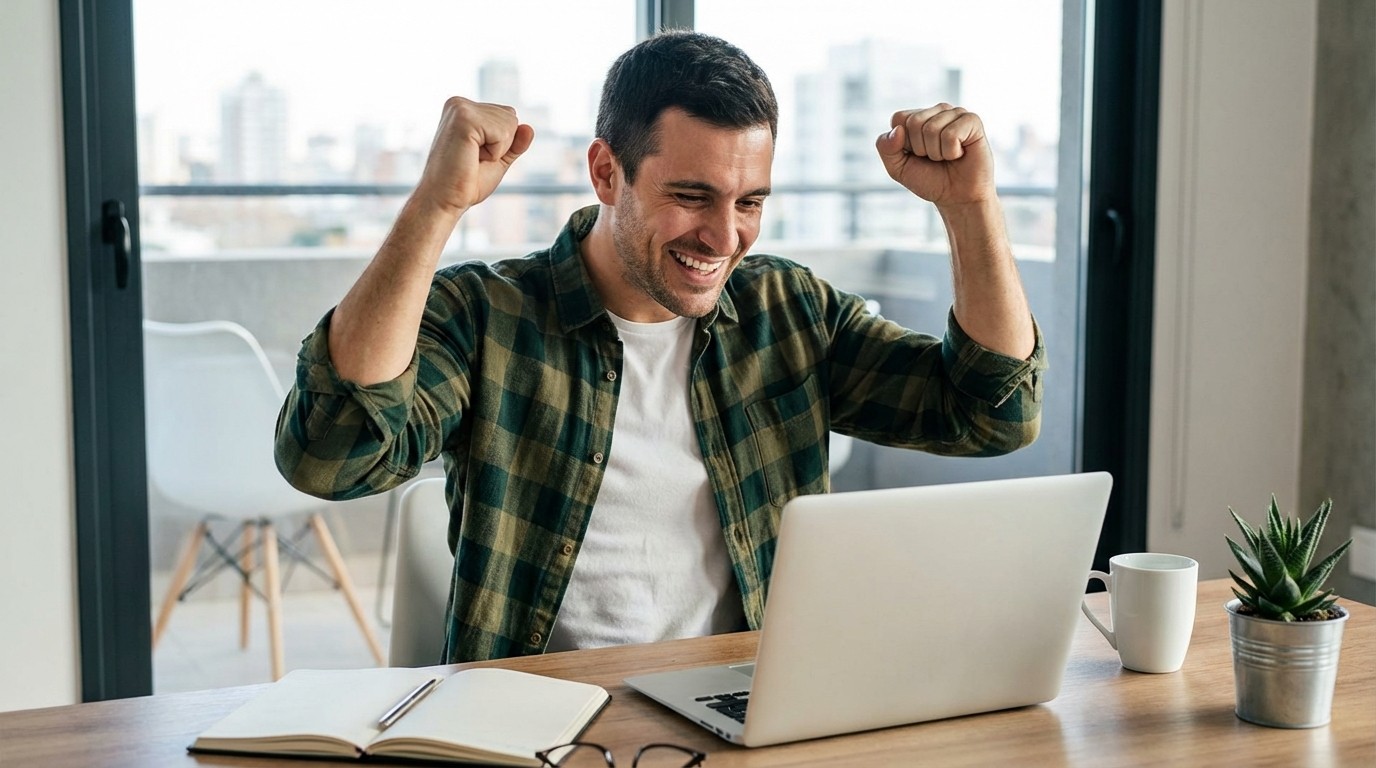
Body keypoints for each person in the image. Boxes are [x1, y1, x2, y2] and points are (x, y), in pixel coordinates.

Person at [275, 30, 1045, 663]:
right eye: (690, 197)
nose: (722, 236)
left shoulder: (789, 309)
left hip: (751, 706)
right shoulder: (488, 315)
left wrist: (970, 207)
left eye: (749, 203)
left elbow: (989, 414)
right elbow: (330, 454)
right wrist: (436, 204)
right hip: (540, 716)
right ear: (607, 173)